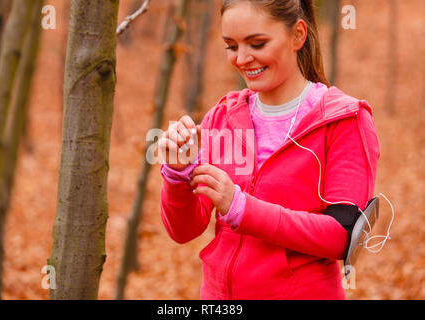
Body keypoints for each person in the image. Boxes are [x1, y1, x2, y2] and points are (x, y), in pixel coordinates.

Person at [157, 0, 380, 299]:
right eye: (231, 46)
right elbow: (183, 231)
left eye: (257, 43)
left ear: (298, 35)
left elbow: (342, 236)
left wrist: (241, 208)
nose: (242, 58)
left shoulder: (344, 121)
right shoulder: (221, 117)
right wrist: (178, 175)